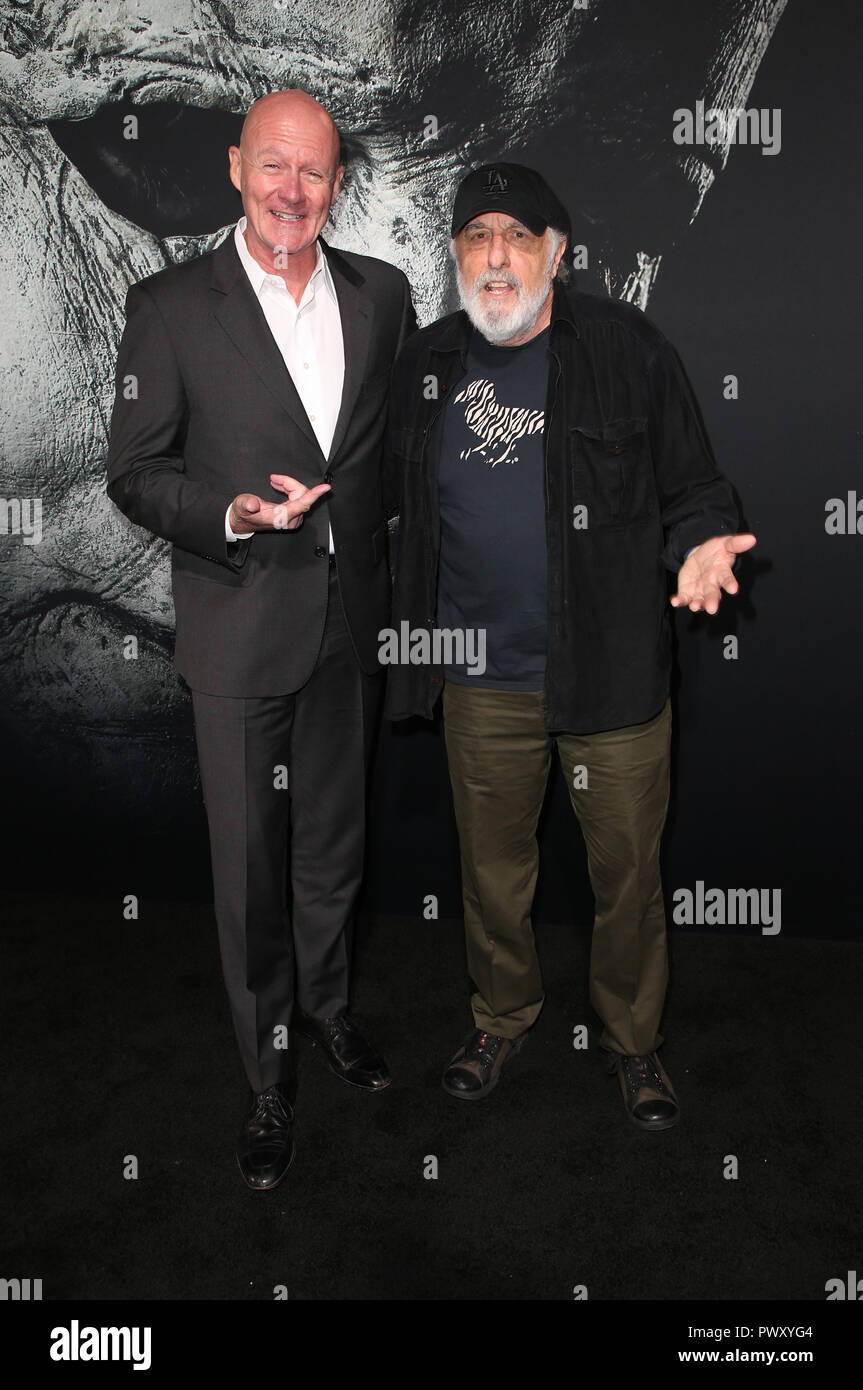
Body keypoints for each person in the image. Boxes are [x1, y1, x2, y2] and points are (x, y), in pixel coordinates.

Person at [384, 162, 756, 1130]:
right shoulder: (424, 366)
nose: (495, 256)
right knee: (489, 872)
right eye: (475, 238)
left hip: (610, 674)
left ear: (555, 252)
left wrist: (705, 540)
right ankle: (500, 1014)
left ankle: (634, 1043)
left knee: (626, 876)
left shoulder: (626, 348)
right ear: (455, 256)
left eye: (516, 236)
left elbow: (692, 485)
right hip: (481, 680)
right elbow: (392, 504)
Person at [106, 89, 416, 1189]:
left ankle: (329, 1012)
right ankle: (267, 1079)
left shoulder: (383, 297)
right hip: (238, 626)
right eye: (274, 165)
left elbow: (395, 456)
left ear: (339, 186)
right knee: (248, 875)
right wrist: (233, 514)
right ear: (238, 166)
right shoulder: (170, 305)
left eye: (316, 172)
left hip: (349, 627)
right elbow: (133, 472)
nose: (293, 190)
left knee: (334, 850)